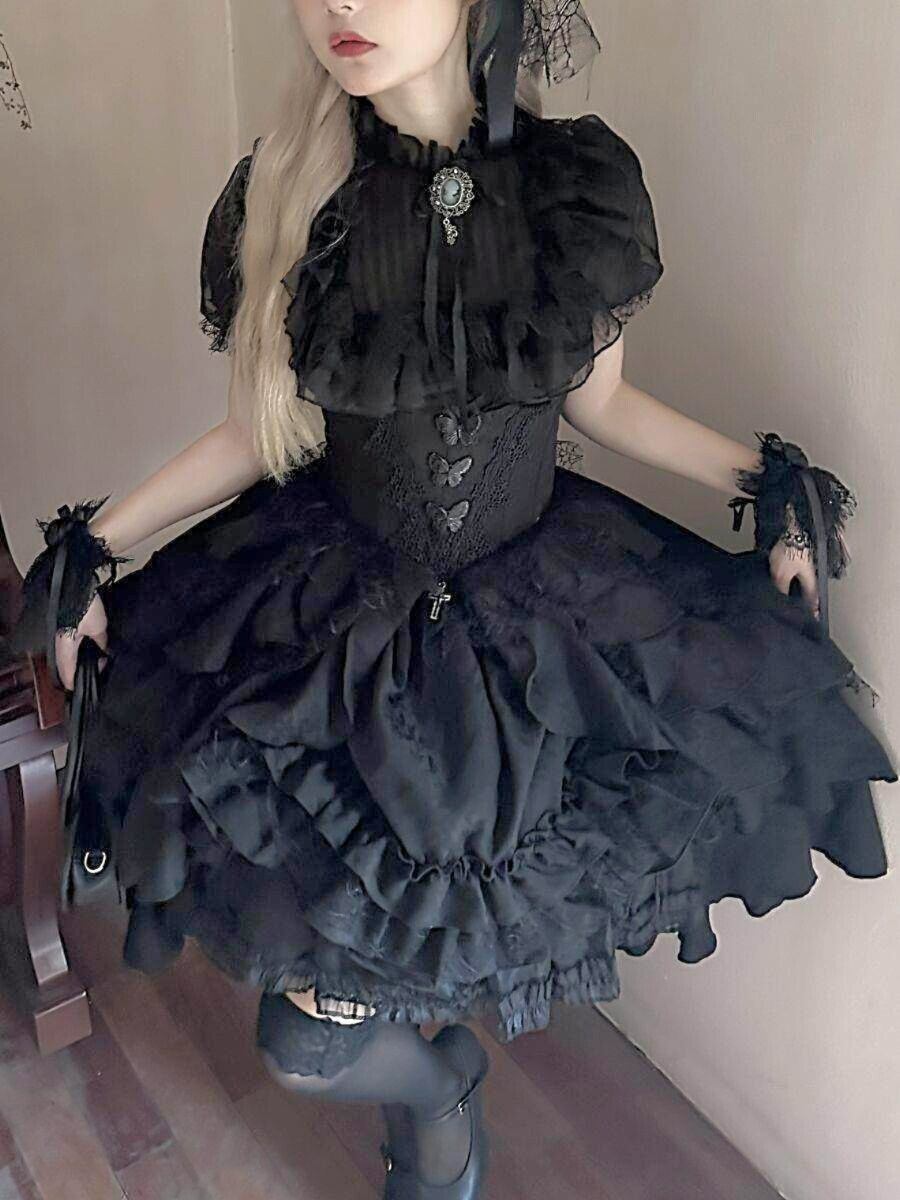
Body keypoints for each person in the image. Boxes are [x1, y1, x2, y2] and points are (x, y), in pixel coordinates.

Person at [10, 2, 897, 1197]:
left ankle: (429, 1148)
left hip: (535, 627)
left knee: (415, 951)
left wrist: (769, 487)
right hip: (333, 625)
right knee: (308, 1040)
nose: (342, 4)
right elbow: (253, 434)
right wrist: (92, 548)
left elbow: (602, 406)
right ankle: (440, 1098)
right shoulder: (294, 193)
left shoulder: (572, 188)